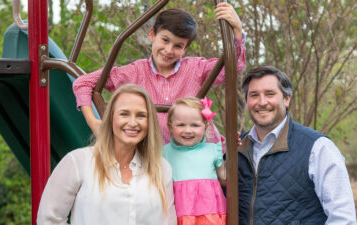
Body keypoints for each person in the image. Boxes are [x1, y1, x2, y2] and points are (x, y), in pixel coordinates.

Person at [73, 3, 246, 146]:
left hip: (197, 152)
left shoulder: (196, 68)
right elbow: (83, 83)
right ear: (152, 35)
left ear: (185, 49)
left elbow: (233, 68)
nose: (169, 50)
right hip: (158, 156)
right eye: (165, 40)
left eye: (178, 46)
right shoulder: (135, 72)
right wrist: (94, 122)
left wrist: (237, 30)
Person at [37, 84, 177, 225]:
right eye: (124, 114)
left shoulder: (162, 168)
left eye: (141, 115)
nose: (133, 123)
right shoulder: (78, 162)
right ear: (110, 118)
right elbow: (48, 219)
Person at [237, 66, 357, 224]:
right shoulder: (236, 149)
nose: (262, 102)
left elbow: (342, 218)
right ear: (247, 102)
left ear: (286, 99)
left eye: (270, 94)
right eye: (254, 95)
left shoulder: (318, 148)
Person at [162, 97, 227, 225]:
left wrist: (232, 151)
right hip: (178, 215)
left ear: (205, 126)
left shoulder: (212, 150)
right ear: (170, 127)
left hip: (210, 215)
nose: (188, 130)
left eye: (195, 125)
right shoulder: (165, 153)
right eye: (181, 125)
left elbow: (224, 177)